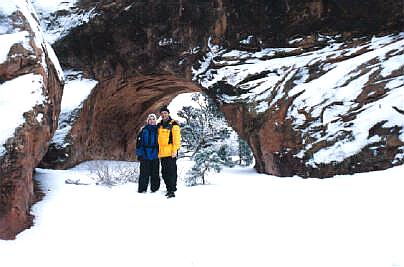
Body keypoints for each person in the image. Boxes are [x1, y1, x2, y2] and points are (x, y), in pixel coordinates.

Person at [157, 106, 181, 198]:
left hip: (171, 153)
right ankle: (169, 188)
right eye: (162, 113)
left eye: (165, 113)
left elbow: (177, 139)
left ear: (168, 114)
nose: (164, 115)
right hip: (162, 153)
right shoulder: (159, 125)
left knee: (171, 172)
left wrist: (175, 150)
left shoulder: (174, 124)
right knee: (164, 172)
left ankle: (172, 190)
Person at [136, 113, 160, 193]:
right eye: (150, 119)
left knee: (155, 173)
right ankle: (142, 189)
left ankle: (155, 189)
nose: (152, 121)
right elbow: (139, 143)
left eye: (153, 119)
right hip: (145, 154)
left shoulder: (158, 129)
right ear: (148, 120)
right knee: (144, 173)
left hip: (155, 154)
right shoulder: (143, 130)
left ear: (155, 120)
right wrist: (139, 154)